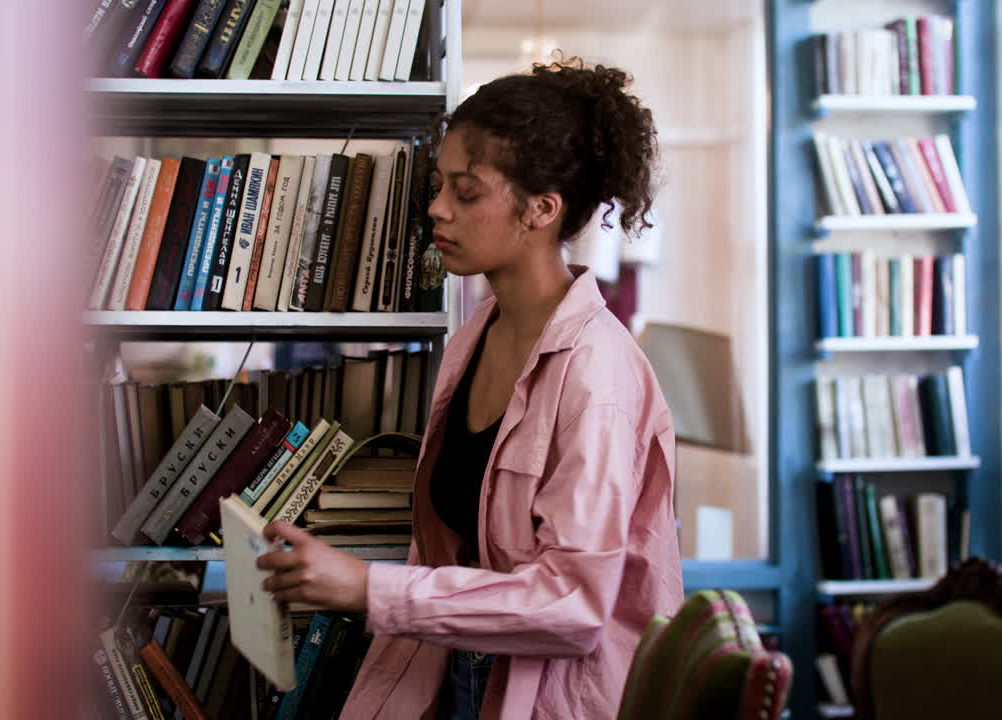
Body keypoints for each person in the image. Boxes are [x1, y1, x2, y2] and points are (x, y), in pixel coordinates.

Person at [257, 56, 683, 720]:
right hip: (457, 669)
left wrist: (367, 587)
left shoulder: (599, 375)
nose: (436, 208)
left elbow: (572, 604)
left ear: (542, 210)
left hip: (553, 698)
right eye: (439, 186)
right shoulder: (472, 338)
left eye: (467, 192)